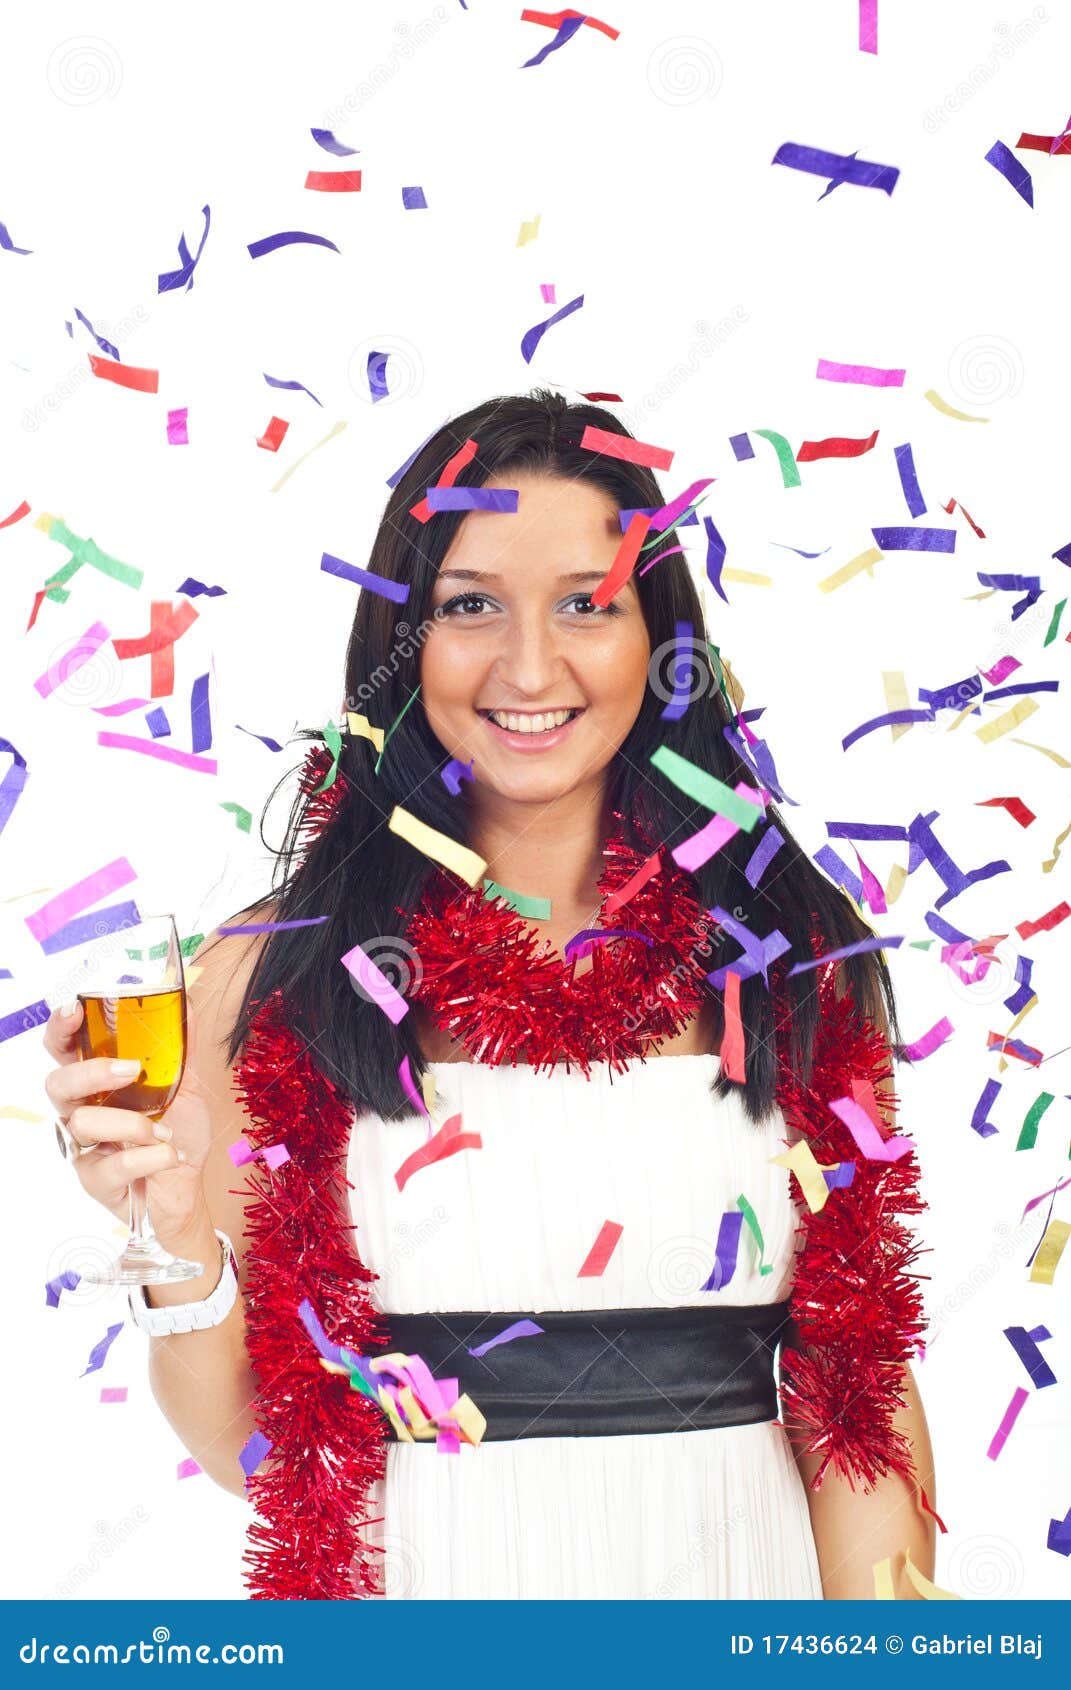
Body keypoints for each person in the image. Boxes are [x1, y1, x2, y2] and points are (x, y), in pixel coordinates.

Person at [44, 388, 937, 1601]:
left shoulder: (784, 955)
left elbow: (859, 1403)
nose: (531, 665)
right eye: (470, 605)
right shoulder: (275, 972)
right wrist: (175, 1233)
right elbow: (254, 1452)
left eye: (587, 602)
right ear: (401, 642)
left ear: (659, 637)